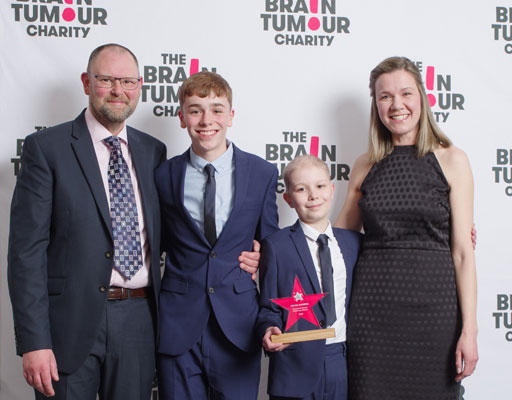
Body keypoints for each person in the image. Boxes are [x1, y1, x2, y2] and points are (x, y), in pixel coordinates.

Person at [7, 43, 167, 399]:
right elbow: (26, 253)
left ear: (139, 85)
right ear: (86, 82)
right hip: (68, 324)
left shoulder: (153, 152)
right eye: (106, 79)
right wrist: (34, 341)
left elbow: (171, 235)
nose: (117, 91)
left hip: (139, 320)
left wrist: (244, 251)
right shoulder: (46, 148)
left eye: (126, 81)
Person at [334, 56, 478, 399]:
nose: (396, 105)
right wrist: (281, 248)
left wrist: (469, 330)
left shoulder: (452, 160)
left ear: (422, 98)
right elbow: (338, 240)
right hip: (372, 312)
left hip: (435, 313)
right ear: (376, 105)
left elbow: (462, 253)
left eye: (405, 93)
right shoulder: (365, 164)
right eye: (385, 96)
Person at [155, 71, 279, 399]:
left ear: (231, 116)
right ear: (181, 118)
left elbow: (271, 247)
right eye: (195, 110)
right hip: (178, 326)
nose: (206, 119)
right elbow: (154, 244)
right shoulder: (163, 175)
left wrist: (264, 258)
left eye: (217, 109)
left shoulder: (262, 173)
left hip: (238, 325)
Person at [257, 155, 362, 400]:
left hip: (343, 362)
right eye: (301, 189)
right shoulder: (276, 246)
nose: (313, 196)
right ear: (289, 199)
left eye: (320, 186)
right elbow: (268, 308)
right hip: (295, 365)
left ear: (332, 189)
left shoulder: (354, 243)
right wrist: (268, 328)